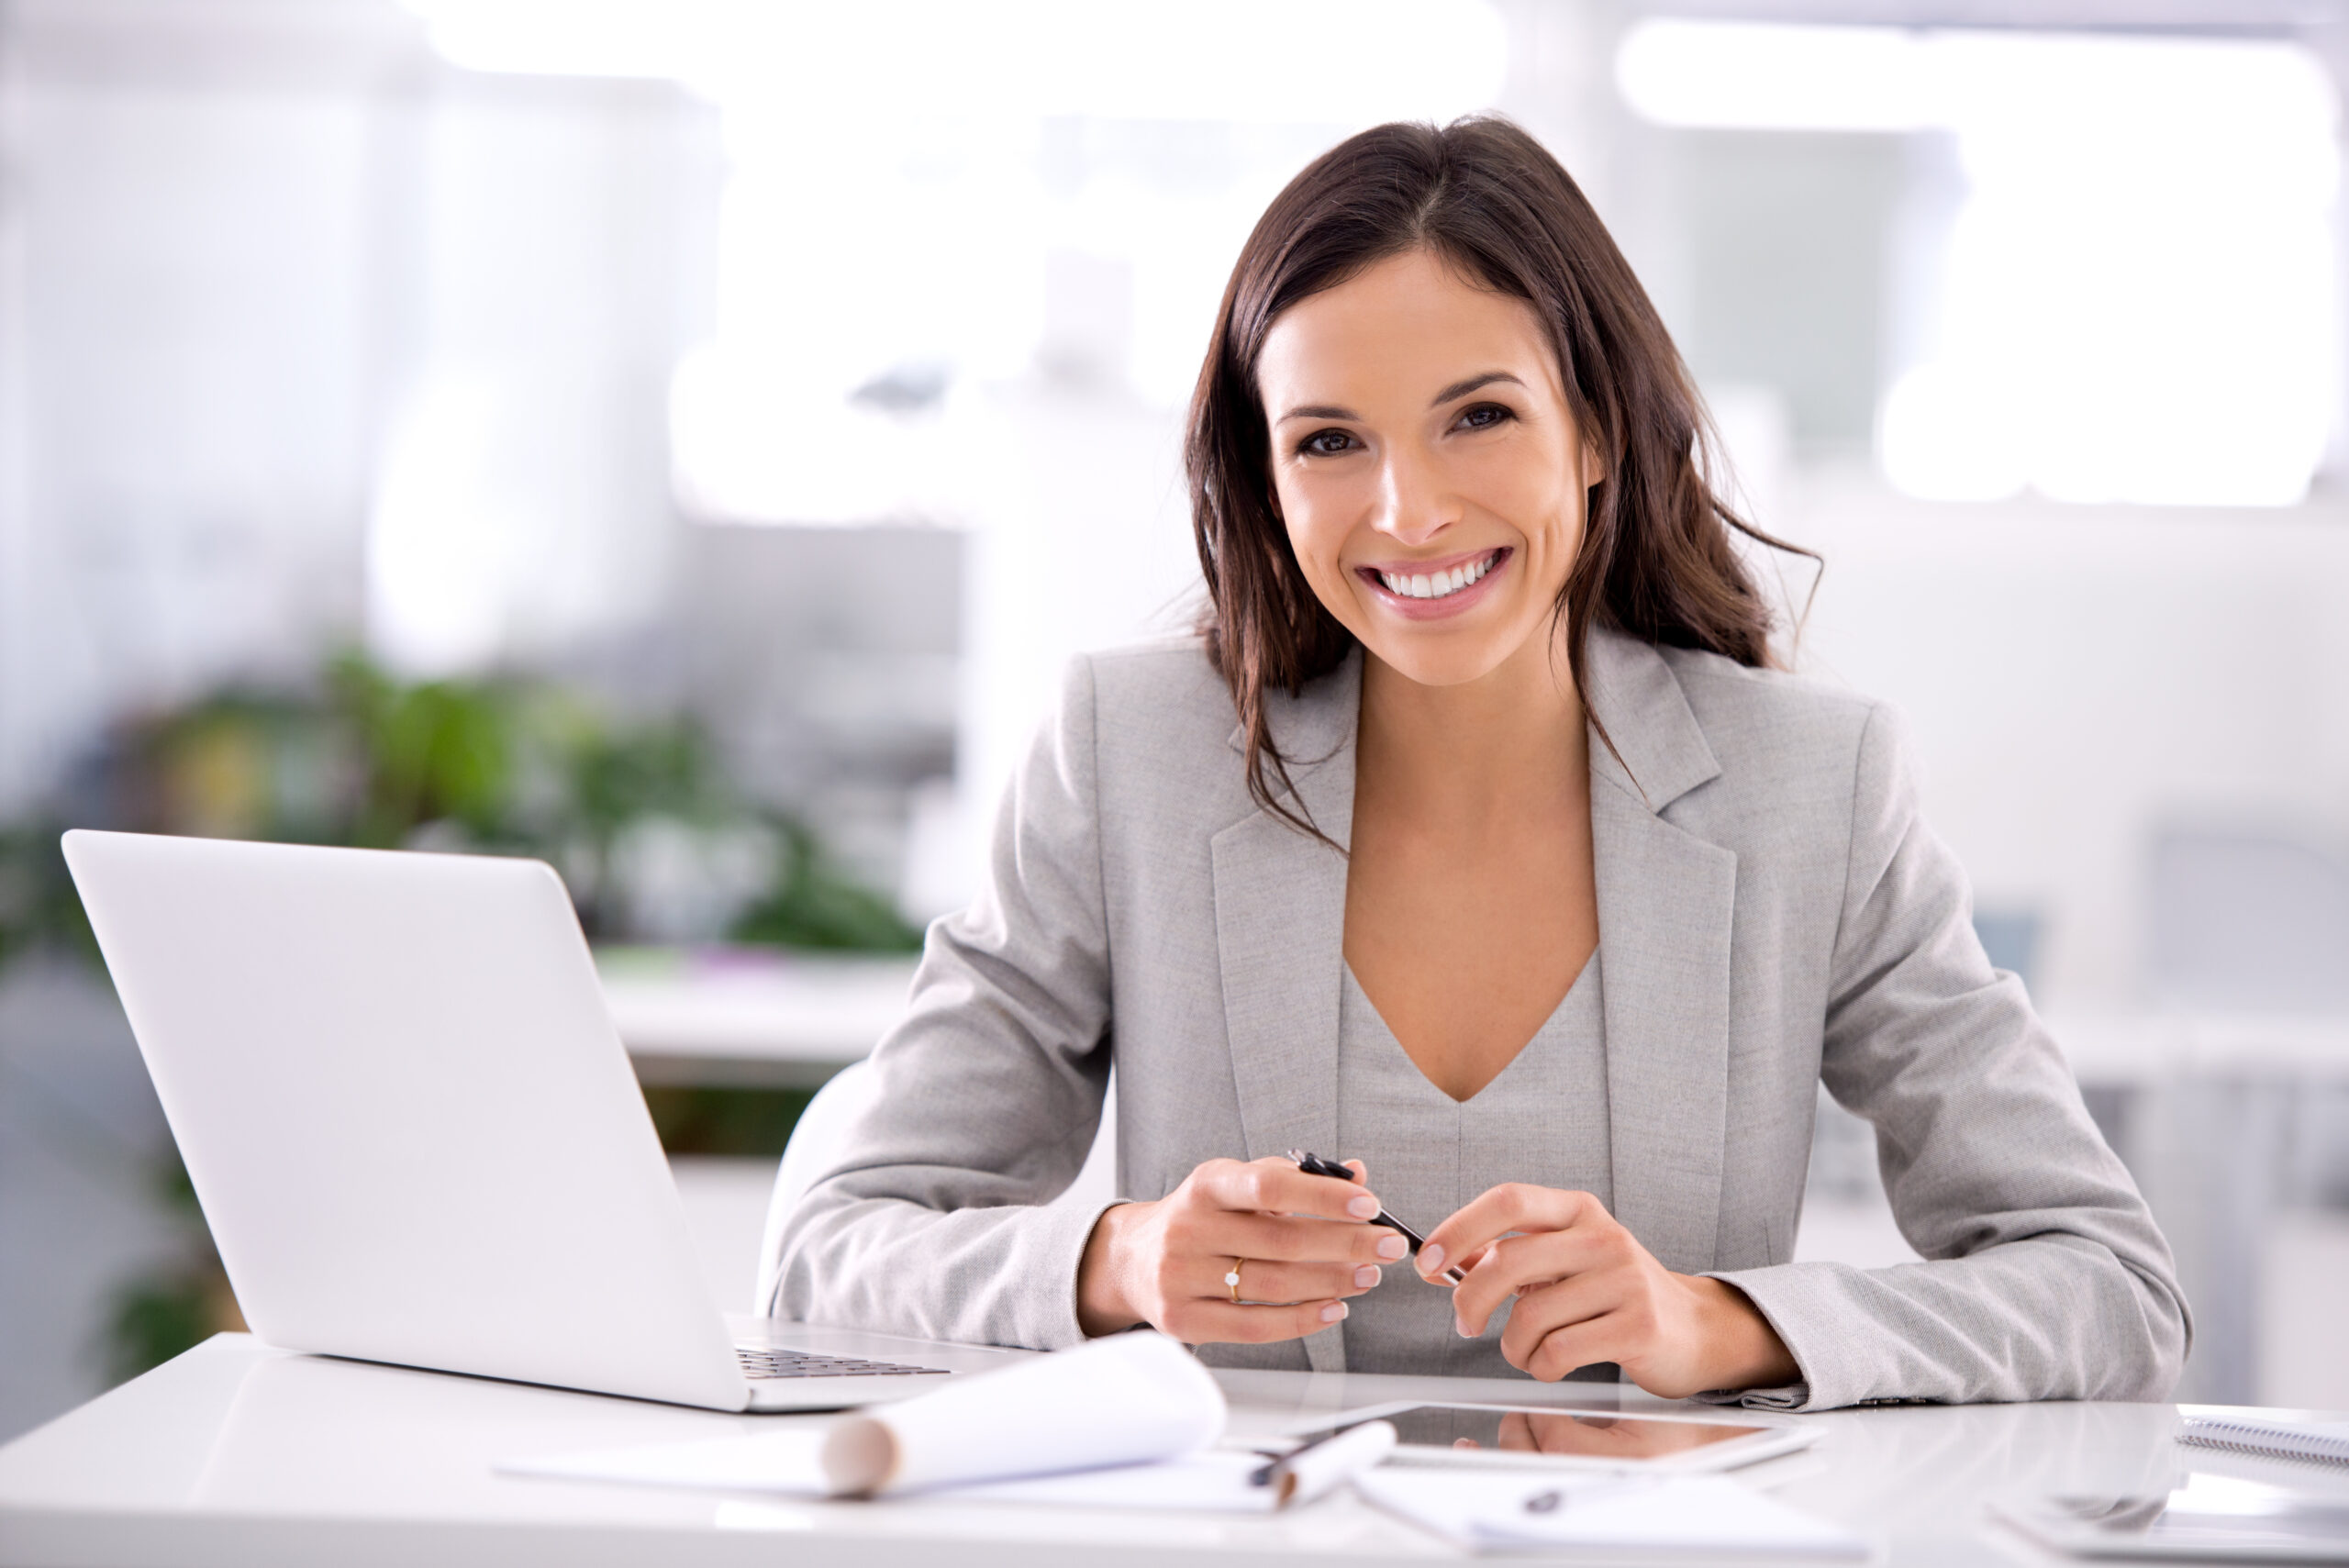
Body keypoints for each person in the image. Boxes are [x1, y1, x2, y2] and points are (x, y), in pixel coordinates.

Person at [769, 117, 2188, 1409]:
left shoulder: (1812, 787)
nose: (1410, 510)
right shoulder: (1129, 755)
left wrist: (1721, 1322)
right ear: (1268, 480)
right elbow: (829, 1248)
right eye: (1331, 440)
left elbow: (2110, 1287)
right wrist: (1119, 1261)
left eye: (1479, 414)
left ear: (1595, 432)